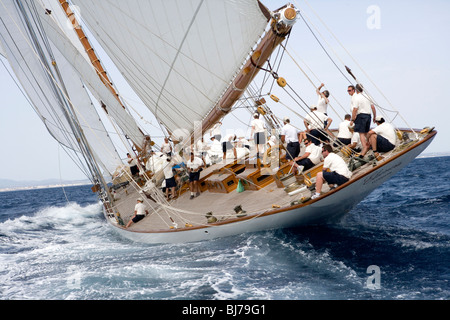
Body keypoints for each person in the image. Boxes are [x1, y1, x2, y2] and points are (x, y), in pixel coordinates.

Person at [350, 84, 377, 156]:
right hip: (368, 116)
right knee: (366, 132)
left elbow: (355, 109)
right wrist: (374, 116)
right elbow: (373, 107)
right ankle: (369, 144)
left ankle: (365, 147)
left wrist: (352, 119)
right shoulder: (368, 96)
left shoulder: (357, 97)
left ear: (356, 90)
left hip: (361, 116)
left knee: (361, 133)